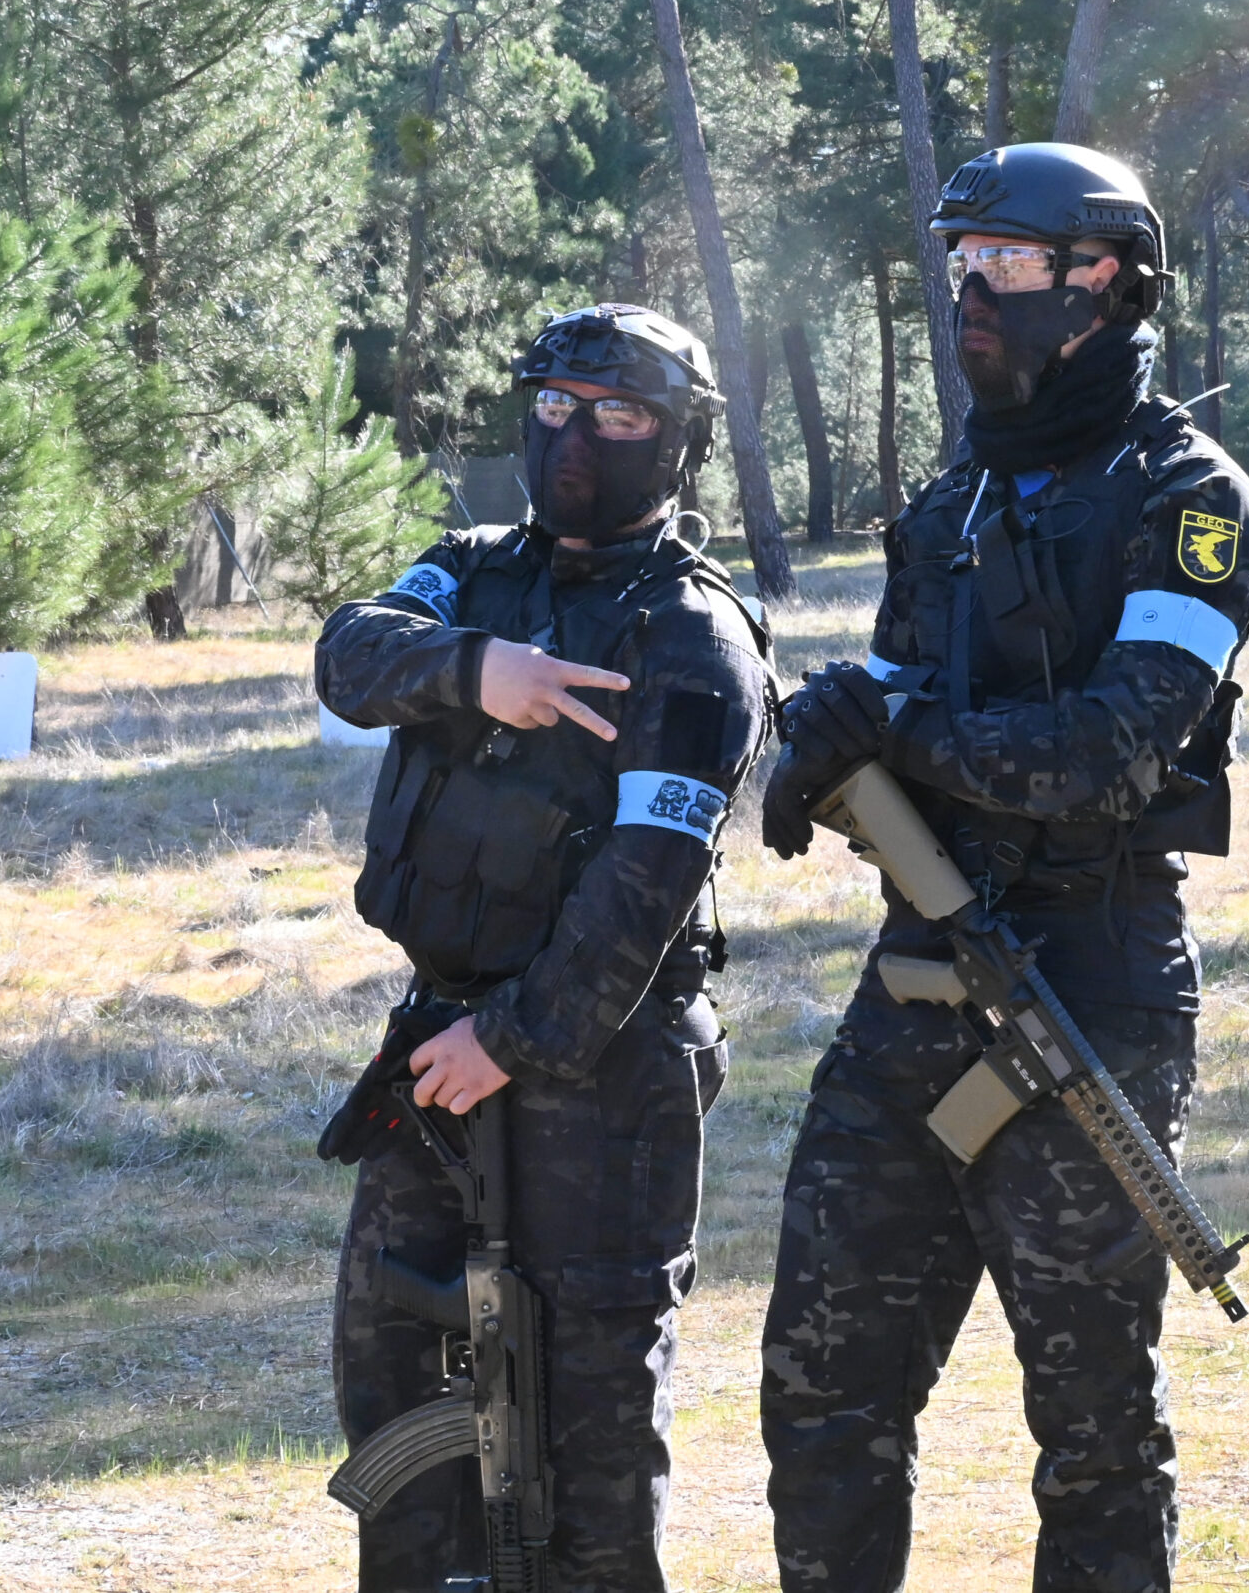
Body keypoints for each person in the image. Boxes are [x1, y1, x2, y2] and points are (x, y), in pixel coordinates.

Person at [756, 143, 1249, 1593]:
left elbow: (1107, 756)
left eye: (1004, 263)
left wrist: (900, 728)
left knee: (1094, 1427)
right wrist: (818, 743)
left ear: (1103, 281)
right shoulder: (955, 502)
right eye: (961, 265)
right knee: (820, 1386)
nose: (970, 294)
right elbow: (888, 698)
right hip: (915, 986)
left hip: (1086, 988)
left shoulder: (1190, 499)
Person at [314, 304, 776, 1590]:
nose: (576, 439)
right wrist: (478, 671)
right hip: (436, 1042)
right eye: (556, 408)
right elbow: (348, 655)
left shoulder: (690, 634)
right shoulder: (470, 571)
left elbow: (645, 887)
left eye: (618, 416)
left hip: (599, 1072)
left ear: (674, 443)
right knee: (397, 1389)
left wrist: (510, 1042)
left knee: (587, 1440)